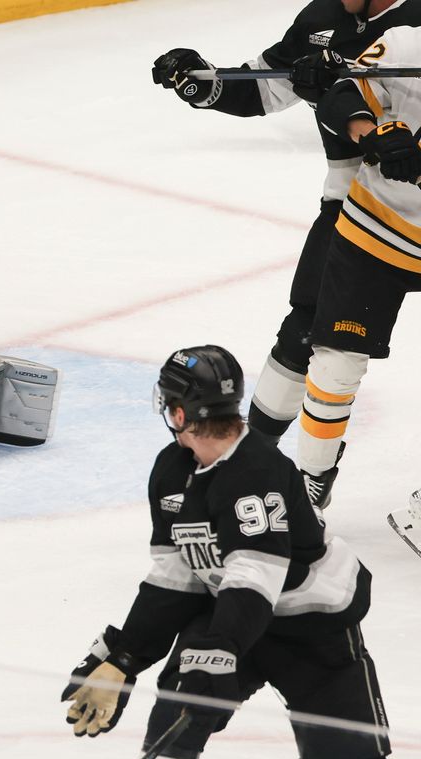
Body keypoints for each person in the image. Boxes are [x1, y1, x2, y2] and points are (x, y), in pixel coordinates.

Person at [60, 345, 420, 759]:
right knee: (172, 734)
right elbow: (176, 577)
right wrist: (125, 657)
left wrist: (219, 650)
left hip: (310, 627)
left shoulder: (259, 471)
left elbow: (255, 577)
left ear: (176, 412)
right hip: (227, 615)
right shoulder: (173, 471)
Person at [151, 0, 421, 505]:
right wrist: (205, 84)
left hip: (406, 201)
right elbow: (268, 84)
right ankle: (252, 460)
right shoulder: (323, 19)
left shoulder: (412, 25)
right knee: (305, 335)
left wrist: (337, 79)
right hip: (356, 203)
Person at [278, 28, 421, 507]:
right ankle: (310, 483)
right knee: (336, 365)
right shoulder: (405, 43)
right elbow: (342, 95)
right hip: (376, 231)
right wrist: (374, 132)